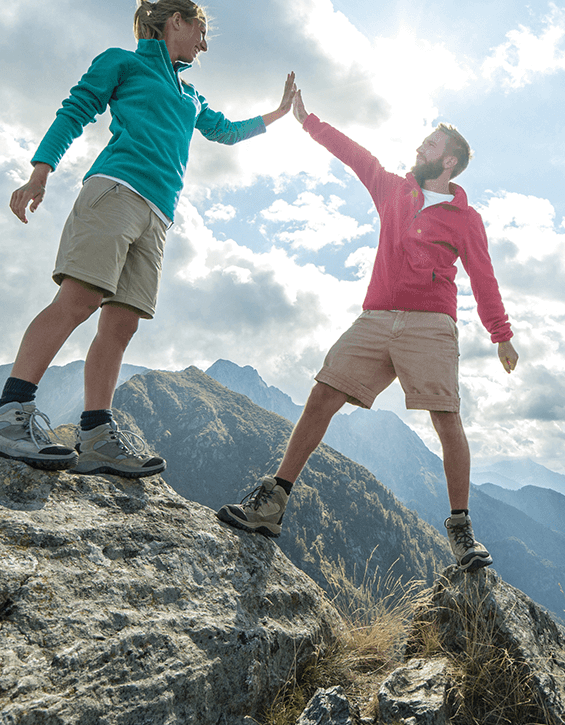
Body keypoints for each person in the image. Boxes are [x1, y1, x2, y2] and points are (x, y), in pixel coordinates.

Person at [0, 0, 295, 478]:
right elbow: (76, 109)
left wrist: (277, 114)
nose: (204, 47)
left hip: (158, 214)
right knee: (77, 301)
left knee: (121, 326)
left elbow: (224, 131)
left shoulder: (190, 94)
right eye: (202, 33)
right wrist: (41, 170)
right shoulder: (122, 62)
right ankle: (7, 416)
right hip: (116, 192)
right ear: (178, 22)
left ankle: (97, 436)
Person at [217, 87, 519, 572]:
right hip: (376, 319)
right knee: (321, 396)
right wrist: (308, 121)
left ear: (451, 162)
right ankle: (273, 502)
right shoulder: (393, 190)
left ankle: (461, 531)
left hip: (431, 325)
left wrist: (500, 333)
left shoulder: (467, 220)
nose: (421, 147)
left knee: (446, 419)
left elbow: (483, 277)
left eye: (431, 145)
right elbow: (356, 156)